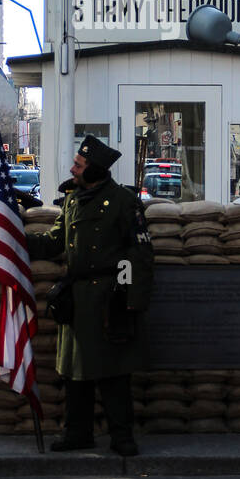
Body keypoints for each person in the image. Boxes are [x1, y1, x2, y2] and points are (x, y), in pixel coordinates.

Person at [25, 136, 154, 457]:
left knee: (113, 374)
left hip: (110, 299)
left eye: (79, 166)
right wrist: (18, 237)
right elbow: (56, 241)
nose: (73, 169)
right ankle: (78, 433)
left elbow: (140, 253)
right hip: (77, 298)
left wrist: (130, 300)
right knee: (75, 373)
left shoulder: (124, 202)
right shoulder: (72, 200)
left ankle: (122, 436)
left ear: (94, 169)